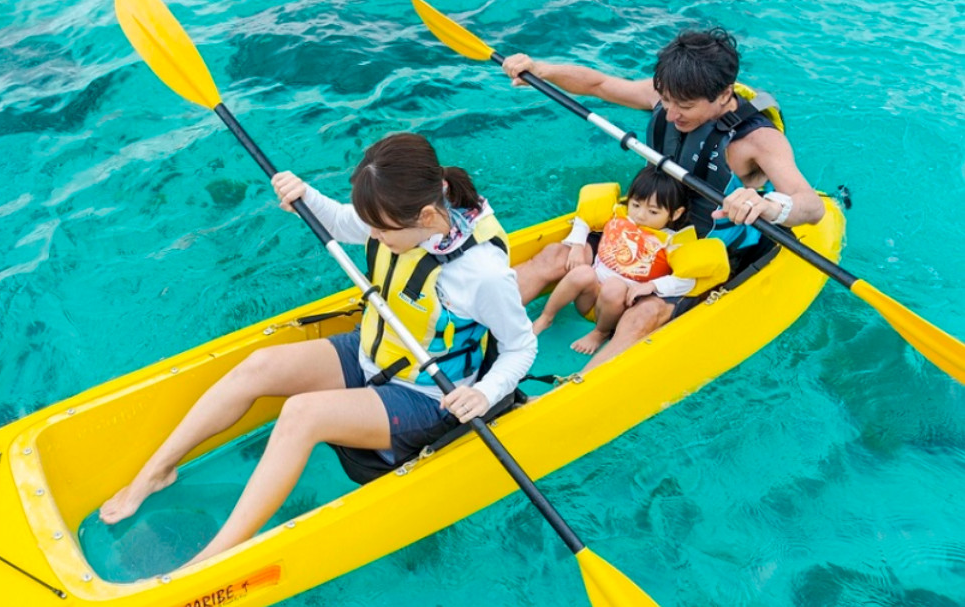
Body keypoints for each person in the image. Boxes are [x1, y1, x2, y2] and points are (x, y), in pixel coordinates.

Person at [98, 133, 536, 568]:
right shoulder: (403, 213)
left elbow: (520, 346)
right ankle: (156, 472)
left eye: (382, 232)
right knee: (260, 366)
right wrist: (306, 196)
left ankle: (217, 555)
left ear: (424, 214)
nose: (375, 237)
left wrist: (484, 393)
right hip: (375, 356)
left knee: (301, 414)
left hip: (427, 396)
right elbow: (346, 223)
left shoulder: (482, 275)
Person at [502, 27, 824, 372]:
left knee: (643, 315)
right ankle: (471, 320)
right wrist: (542, 70)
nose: (670, 115)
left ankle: (571, 388)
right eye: (666, 102)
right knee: (554, 255)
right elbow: (599, 84)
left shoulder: (759, 141)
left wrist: (769, 205)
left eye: (684, 107)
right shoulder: (668, 96)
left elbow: (811, 205)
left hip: (693, 253)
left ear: (724, 94)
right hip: (642, 226)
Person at [536, 167, 693, 356]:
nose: (640, 215)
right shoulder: (619, 216)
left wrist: (653, 285)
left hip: (617, 309)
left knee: (615, 287)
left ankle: (600, 333)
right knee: (582, 272)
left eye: (653, 212)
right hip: (589, 299)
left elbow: (688, 280)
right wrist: (577, 244)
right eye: (635, 205)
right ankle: (546, 317)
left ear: (675, 214)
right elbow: (585, 218)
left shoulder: (671, 242)